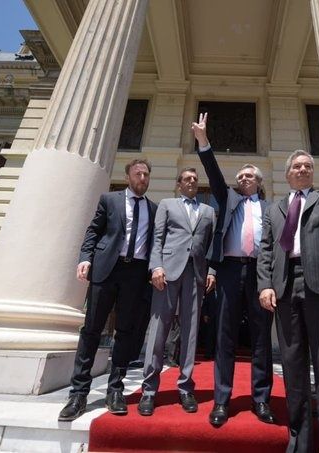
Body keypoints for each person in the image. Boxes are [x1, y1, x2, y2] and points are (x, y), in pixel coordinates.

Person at [257, 150, 319, 452]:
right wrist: (265, 285)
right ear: (288, 174)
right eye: (297, 166)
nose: (302, 169)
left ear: (313, 172)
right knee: (292, 368)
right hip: (285, 288)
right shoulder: (274, 209)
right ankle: (299, 441)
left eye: (308, 166)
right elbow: (265, 250)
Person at [192, 112, 276, 426]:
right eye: (240, 176)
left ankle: (261, 399)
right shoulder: (227, 198)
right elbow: (213, 173)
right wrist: (203, 141)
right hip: (228, 271)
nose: (243, 179)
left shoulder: (271, 209)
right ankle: (222, 401)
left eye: (249, 176)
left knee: (261, 338)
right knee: (224, 336)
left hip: (260, 274)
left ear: (259, 182)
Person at [59, 159, 157, 421]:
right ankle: (78, 394)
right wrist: (85, 258)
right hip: (106, 270)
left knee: (125, 332)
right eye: (138, 174)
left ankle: (115, 390)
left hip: (135, 275)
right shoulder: (109, 200)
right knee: (92, 330)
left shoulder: (154, 209)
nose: (143, 178)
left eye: (146, 175)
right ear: (128, 177)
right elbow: (93, 231)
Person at [137, 167, 216, 416]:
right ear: (179, 183)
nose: (192, 181)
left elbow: (213, 245)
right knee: (158, 329)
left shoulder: (208, 211)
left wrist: (212, 271)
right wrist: (156, 266)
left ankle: (186, 387)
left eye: (195, 179)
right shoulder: (167, 205)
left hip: (196, 274)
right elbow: (157, 237)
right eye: (187, 178)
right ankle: (149, 390)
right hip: (167, 272)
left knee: (190, 332)